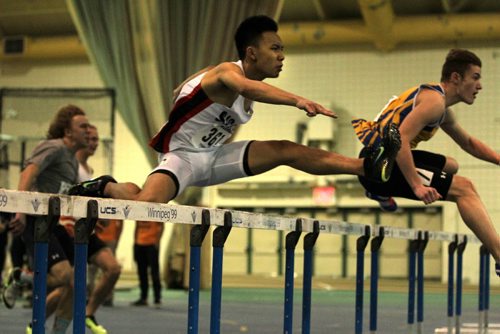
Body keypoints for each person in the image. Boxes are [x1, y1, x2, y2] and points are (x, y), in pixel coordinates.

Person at [69, 16, 401, 223]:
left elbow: (176, 90)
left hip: (213, 157)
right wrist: (298, 100)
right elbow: (245, 87)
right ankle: (106, 186)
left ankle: (366, 167)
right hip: (182, 158)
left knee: (284, 149)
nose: (282, 56)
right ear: (251, 53)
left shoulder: (219, 72)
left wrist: (187, 90)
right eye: (276, 48)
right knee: (145, 205)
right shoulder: (229, 74)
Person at [352, 49, 500, 277]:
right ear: (456, 78)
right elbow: (398, 140)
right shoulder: (434, 103)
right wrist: (417, 186)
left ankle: (378, 193)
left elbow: (469, 143)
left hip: (381, 155)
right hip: (381, 163)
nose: (479, 86)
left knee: (451, 166)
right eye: (476, 77)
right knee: (465, 188)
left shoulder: (440, 107)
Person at [5, 105, 90, 334]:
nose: (88, 131)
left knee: (78, 283)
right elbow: (28, 173)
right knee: (63, 276)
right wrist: (20, 210)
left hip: (54, 224)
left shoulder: (72, 162)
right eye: (82, 126)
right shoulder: (53, 147)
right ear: (68, 131)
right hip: (35, 220)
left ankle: (57, 331)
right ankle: (21, 277)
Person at [131, 220, 164, 307]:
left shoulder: (155, 209)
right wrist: (135, 242)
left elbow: (161, 226)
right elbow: (137, 227)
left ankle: (157, 297)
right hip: (139, 244)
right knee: (142, 272)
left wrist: (157, 241)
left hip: (151, 244)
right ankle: (143, 297)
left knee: (154, 272)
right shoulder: (140, 211)